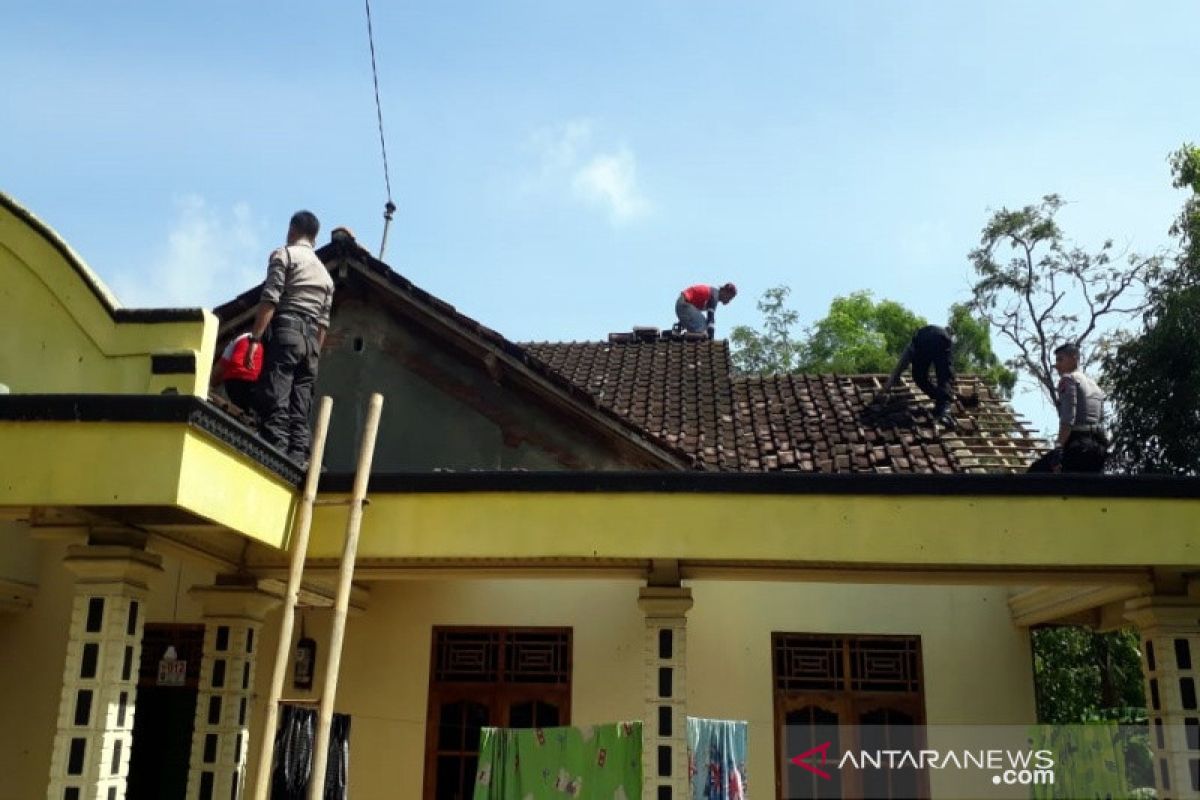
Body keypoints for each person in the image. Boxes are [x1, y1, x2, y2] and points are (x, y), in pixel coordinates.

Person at [244, 210, 334, 464]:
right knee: (300, 407)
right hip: (311, 344)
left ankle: (276, 461)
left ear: (292, 230)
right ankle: (297, 461)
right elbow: (323, 324)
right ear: (314, 238)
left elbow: (270, 299)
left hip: (287, 332)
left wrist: (254, 340)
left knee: (275, 398)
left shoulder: (285, 255)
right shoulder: (326, 277)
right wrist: (314, 356)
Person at [1027, 342, 1107, 473]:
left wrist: (1058, 448)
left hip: (1078, 447)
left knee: (1035, 474)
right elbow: (1101, 419)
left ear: (1074, 358)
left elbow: (1068, 419)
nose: (1056, 365)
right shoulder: (1095, 386)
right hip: (1097, 449)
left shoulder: (1068, 379)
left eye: (1060, 359)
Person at [882, 324, 956, 425]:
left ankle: (940, 399)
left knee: (919, 376)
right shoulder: (943, 338)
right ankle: (943, 409)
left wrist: (891, 382)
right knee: (944, 377)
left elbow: (902, 363)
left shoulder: (917, 340)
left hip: (924, 342)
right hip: (936, 341)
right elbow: (947, 373)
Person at [210, 332, 263, 416]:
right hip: (253, 383)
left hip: (232, 382)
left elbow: (221, 366)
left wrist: (209, 387)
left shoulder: (241, 337)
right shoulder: (273, 341)